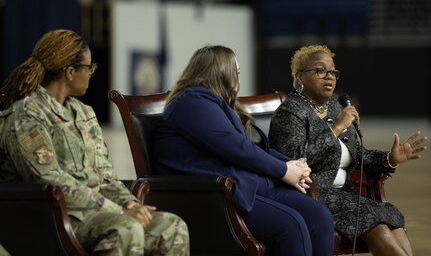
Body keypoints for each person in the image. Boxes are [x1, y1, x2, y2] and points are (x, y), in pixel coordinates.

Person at [0, 29, 189, 255]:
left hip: (98, 212)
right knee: (126, 228)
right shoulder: (27, 114)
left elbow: (105, 175)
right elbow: (48, 179)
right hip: (55, 218)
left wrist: (129, 204)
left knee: (172, 227)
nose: (91, 74)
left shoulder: (84, 113)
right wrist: (116, 210)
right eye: (89, 68)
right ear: (70, 72)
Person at [152, 45, 334, 256]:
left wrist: (294, 165)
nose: (238, 79)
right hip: (213, 196)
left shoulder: (213, 102)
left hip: (245, 186)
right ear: (219, 72)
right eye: (235, 72)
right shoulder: (192, 102)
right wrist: (284, 171)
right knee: (292, 225)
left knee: (319, 216)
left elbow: (250, 147)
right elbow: (238, 149)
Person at [268, 44, 428, 256]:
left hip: (346, 196)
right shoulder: (290, 113)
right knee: (376, 225)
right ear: (300, 76)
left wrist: (390, 159)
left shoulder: (335, 106)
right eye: (320, 70)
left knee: (392, 221)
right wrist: (336, 128)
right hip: (313, 198)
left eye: (333, 71)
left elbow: (357, 154)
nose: (329, 77)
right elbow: (294, 162)